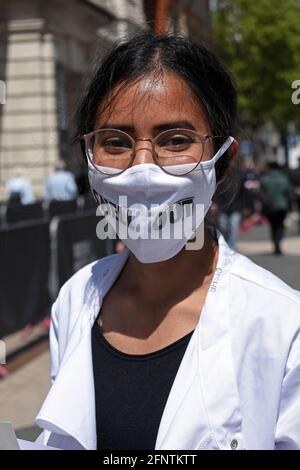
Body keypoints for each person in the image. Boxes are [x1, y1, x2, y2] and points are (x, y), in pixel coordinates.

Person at [36, 33, 300, 450]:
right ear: (88, 156)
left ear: (223, 161)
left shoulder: (282, 327)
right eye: (116, 142)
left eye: (176, 140)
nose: (142, 170)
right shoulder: (75, 301)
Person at [260, 162, 294, 255]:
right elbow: (289, 194)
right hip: (282, 206)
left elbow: (260, 194)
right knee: (280, 226)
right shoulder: (284, 178)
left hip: (269, 206)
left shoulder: (264, 178)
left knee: (273, 226)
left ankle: (275, 244)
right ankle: (278, 243)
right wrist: (291, 205)